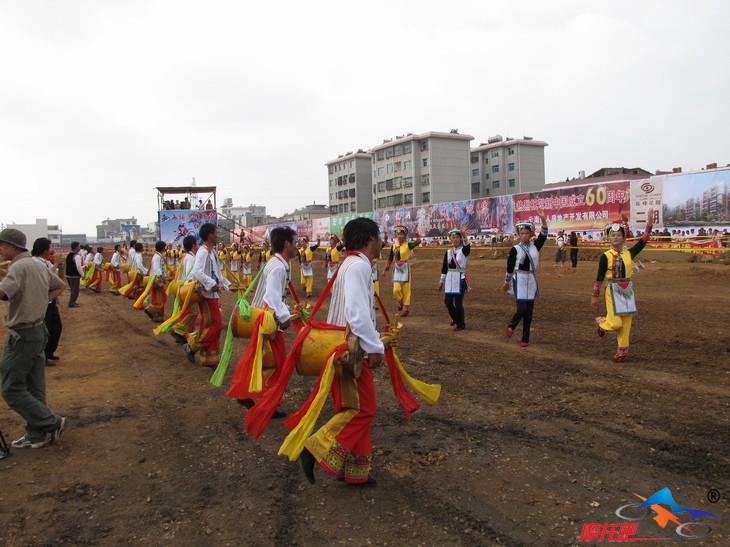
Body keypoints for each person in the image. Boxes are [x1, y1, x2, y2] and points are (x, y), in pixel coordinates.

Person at [299, 217, 385, 486]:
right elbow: (357, 314)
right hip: (351, 347)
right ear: (371, 238)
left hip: (339, 344)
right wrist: (375, 347)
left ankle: (354, 472)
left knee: (351, 407)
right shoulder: (359, 265)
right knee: (364, 409)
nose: (383, 241)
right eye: (380, 236)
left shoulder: (349, 264)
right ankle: (316, 447)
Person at [0, 228, 67, 449]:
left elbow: (3, 293)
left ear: (12, 245)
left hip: (23, 335)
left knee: (11, 387)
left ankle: (51, 423)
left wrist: (36, 301)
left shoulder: (19, 267)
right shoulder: (37, 265)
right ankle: (36, 434)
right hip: (38, 329)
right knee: (34, 386)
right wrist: (41, 302)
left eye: (2, 245)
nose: (0, 249)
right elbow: (59, 285)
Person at [227, 227, 297, 409]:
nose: (296, 247)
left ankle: (247, 394)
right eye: (295, 243)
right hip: (268, 320)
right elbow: (271, 296)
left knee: (263, 359)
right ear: (286, 244)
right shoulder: (278, 267)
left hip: (265, 318)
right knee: (275, 362)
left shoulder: (275, 263)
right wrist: (284, 316)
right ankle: (265, 402)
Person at [591, 209, 654, 363]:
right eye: (613, 235)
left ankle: (622, 350)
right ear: (609, 238)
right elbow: (599, 277)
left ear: (623, 238)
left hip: (627, 290)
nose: (616, 237)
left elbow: (643, 242)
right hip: (611, 289)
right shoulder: (605, 256)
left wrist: (649, 226)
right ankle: (602, 323)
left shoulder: (629, 253)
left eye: (619, 235)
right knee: (615, 323)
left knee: (626, 322)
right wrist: (595, 295)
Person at [183, 223, 231, 368]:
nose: (218, 235)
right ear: (210, 235)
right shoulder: (203, 252)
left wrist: (228, 285)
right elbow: (197, 271)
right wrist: (211, 284)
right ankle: (191, 345)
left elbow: (216, 273)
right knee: (217, 325)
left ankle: (210, 358)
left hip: (212, 293)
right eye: (216, 233)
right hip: (207, 294)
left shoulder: (212, 252)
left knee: (209, 325)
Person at [502, 211, 548, 347]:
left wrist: (544, 221)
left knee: (529, 312)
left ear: (531, 234)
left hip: (531, 279)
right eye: (521, 233)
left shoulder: (536, 246)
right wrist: (506, 282)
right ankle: (511, 326)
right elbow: (509, 267)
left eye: (526, 233)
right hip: (519, 278)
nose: (524, 235)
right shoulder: (515, 249)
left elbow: (544, 235)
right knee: (522, 309)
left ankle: (525, 339)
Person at [30, 238, 63, 364]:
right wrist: (55, 265)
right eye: (49, 248)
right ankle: (42, 356)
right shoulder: (34, 263)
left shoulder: (46, 263)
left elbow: (58, 279)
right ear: (44, 250)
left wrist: (60, 266)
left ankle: (49, 352)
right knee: (46, 329)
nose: (51, 251)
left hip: (51, 300)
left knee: (56, 327)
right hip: (42, 301)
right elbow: (45, 279)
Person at [384, 224, 421, 317]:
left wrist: (416, 232)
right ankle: (400, 301)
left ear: (405, 235)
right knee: (396, 289)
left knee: (406, 289)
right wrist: (385, 270)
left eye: (401, 234)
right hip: (396, 268)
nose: (399, 236)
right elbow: (390, 258)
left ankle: (405, 309)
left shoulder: (408, 245)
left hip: (405, 268)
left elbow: (418, 241)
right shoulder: (394, 246)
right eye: (397, 234)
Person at [168, 235, 199, 344]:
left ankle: (181, 334)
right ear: (193, 245)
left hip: (184, 287)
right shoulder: (190, 258)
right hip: (188, 288)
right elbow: (190, 275)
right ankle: (177, 329)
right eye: (196, 244)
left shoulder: (187, 257)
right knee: (193, 312)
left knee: (187, 312)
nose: (197, 246)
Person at [438, 229, 470, 331]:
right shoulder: (448, 252)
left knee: (459, 303)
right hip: (449, 279)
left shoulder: (464, 251)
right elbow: (444, 268)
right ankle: (456, 319)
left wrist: (464, 234)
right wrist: (441, 281)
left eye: (457, 237)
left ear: (460, 239)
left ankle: (460, 324)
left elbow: (468, 246)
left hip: (460, 279)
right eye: (453, 237)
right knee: (447, 302)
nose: (455, 239)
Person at [141, 241, 168, 322]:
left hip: (156, 279)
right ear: (163, 248)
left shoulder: (157, 256)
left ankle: (158, 316)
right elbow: (157, 269)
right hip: (157, 280)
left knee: (158, 298)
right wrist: (162, 277)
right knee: (162, 297)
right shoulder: (157, 257)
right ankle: (151, 310)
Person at [64, 241, 83, 308]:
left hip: (68, 274)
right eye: (79, 246)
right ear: (76, 247)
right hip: (74, 275)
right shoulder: (77, 256)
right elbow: (78, 267)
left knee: (72, 289)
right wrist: (82, 275)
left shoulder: (69, 254)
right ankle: (71, 303)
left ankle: (73, 302)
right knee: (75, 290)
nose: (80, 248)